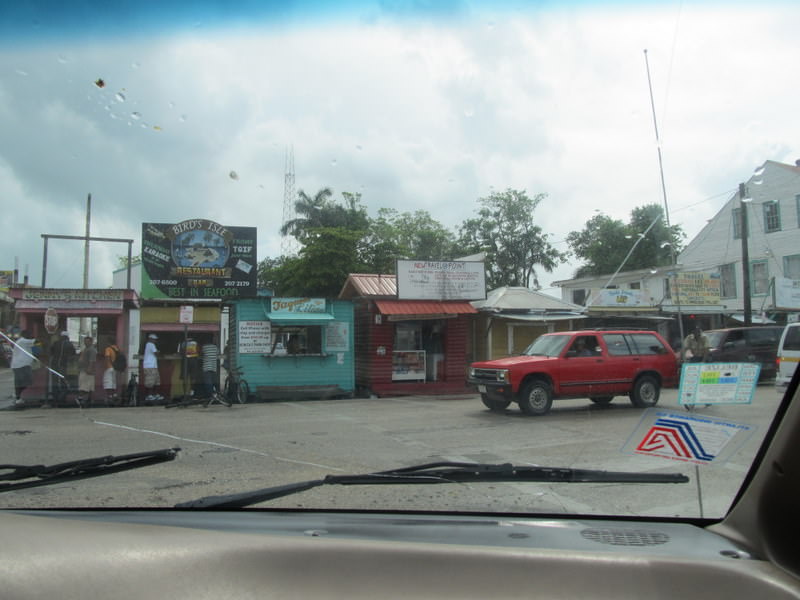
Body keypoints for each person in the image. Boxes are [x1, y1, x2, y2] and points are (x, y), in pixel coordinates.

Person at [49, 331, 76, 407]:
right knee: (64, 382)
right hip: (63, 365)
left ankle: (56, 399)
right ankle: (61, 399)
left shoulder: (55, 343)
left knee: (55, 382)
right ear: (67, 337)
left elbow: (51, 352)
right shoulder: (69, 344)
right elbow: (73, 355)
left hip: (54, 365)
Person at [10, 329, 36, 408]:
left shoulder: (23, 342)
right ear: (25, 334)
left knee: (26, 381)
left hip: (22, 365)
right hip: (20, 365)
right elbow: (36, 342)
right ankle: (17, 397)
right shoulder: (23, 341)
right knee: (22, 382)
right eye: (29, 334)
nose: (30, 335)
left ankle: (17, 396)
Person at [76, 336, 97, 408]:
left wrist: (89, 369)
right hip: (83, 369)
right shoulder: (86, 349)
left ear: (91, 342)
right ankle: (86, 401)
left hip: (87, 370)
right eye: (85, 341)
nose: (85, 342)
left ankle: (81, 399)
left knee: (84, 387)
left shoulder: (92, 350)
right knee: (87, 387)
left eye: (87, 341)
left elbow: (92, 360)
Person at [143, 333, 163, 404]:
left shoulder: (150, 345)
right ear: (150, 339)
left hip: (153, 365)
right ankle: (149, 395)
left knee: (156, 381)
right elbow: (156, 353)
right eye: (154, 339)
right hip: (149, 365)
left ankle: (155, 394)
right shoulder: (150, 344)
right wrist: (159, 352)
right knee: (150, 381)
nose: (155, 341)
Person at [103, 341, 122, 406]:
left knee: (108, 383)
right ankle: (114, 395)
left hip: (109, 367)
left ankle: (110, 397)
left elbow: (107, 358)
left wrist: (106, 366)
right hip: (115, 368)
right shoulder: (116, 348)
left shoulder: (108, 349)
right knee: (113, 383)